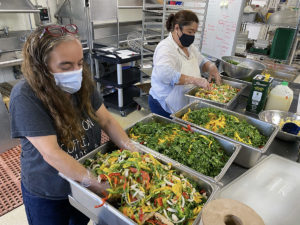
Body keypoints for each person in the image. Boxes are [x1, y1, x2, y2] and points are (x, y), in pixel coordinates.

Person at [9, 24, 137, 225]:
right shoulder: (26, 96)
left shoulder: (83, 82)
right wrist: (95, 183)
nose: (76, 71)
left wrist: (133, 150)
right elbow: (52, 153)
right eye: (66, 66)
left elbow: (107, 119)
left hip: (83, 184)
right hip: (49, 191)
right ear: (41, 67)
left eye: (79, 63)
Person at [148, 10, 222, 118]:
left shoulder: (189, 47)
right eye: (190, 32)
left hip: (183, 103)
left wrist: (210, 66)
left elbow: (201, 60)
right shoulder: (165, 48)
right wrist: (195, 80)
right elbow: (165, 75)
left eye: (194, 33)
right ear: (177, 28)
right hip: (165, 105)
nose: (192, 36)